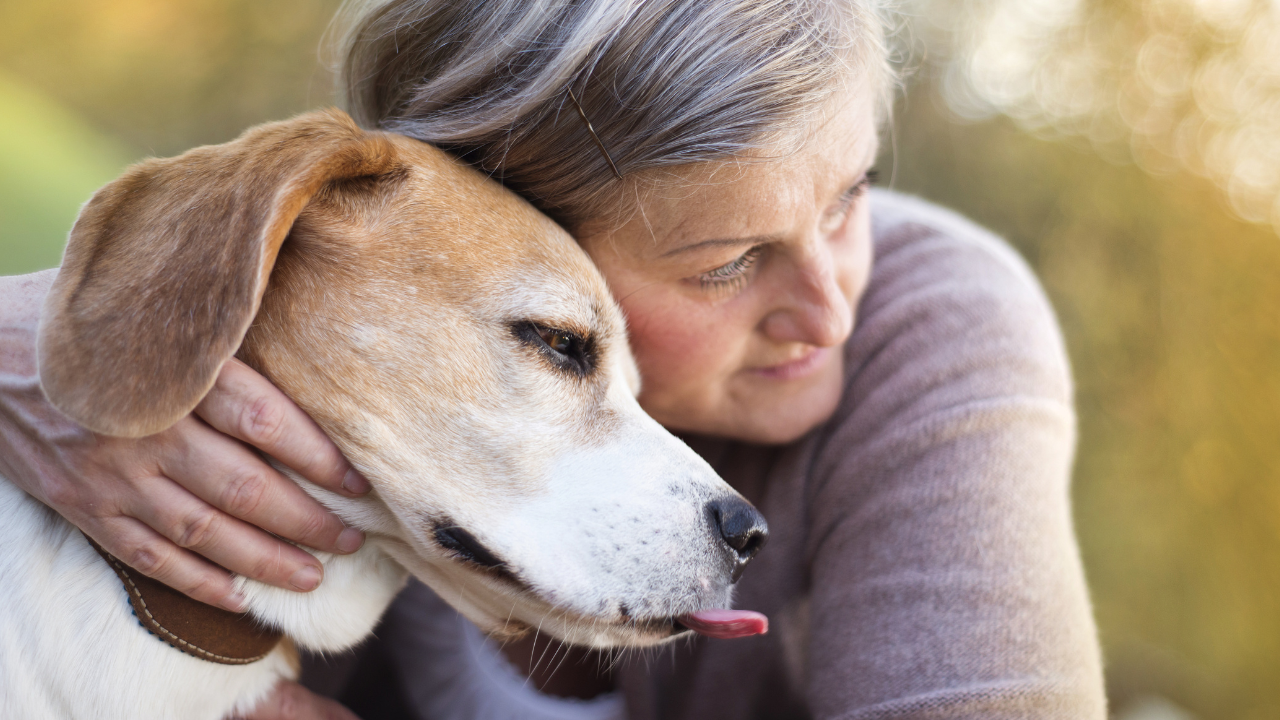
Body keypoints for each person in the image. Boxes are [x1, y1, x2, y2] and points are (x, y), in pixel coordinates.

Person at [0, 0, 1107, 718]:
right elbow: (146, 305)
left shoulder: (932, 329)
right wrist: (43, 351)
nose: (830, 308)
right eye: (725, 260)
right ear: (515, 213)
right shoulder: (362, 256)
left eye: (852, 193)